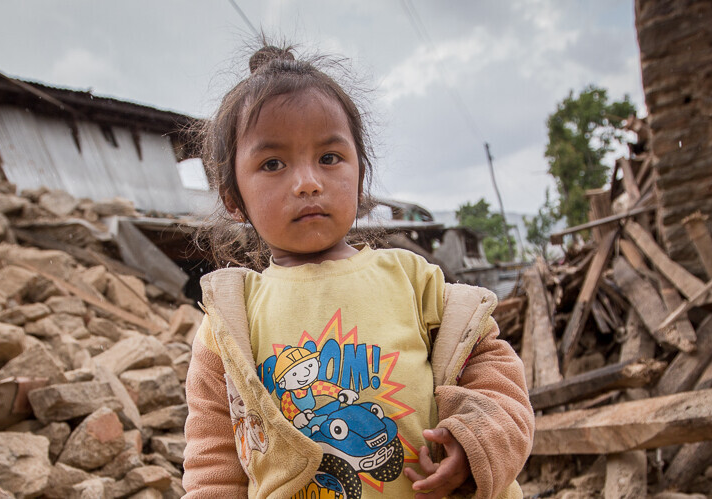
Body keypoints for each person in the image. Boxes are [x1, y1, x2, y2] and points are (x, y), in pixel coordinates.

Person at [181, 43, 533, 499]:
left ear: (360, 175)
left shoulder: (413, 280)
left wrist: (476, 445)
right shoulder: (229, 324)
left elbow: (494, 375)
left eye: (329, 157)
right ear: (233, 198)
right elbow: (212, 461)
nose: (308, 181)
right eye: (272, 163)